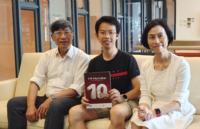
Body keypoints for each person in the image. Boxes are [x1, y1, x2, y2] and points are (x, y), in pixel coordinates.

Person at [7, 19, 90, 129]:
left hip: (71, 100)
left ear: (72, 35)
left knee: (55, 104)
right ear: (52, 37)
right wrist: (31, 106)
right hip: (48, 98)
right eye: (58, 33)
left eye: (66, 32)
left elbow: (75, 89)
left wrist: (52, 99)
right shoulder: (47, 56)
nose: (63, 36)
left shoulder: (82, 58)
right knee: (14, 103)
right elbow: (36, 81)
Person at [68, 16, 141, 129]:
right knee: (74, 112)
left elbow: (139, 88)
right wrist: (85, 98)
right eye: (103, 32)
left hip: (126, 102)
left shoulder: (128, 59)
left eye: (111, 32)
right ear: (97, 36)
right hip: (101, 104)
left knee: (117, 112)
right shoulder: (93, 63)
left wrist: (123, 97)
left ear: (117, 35)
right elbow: (89, 90)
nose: (107, 36)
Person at [127, 19, 196, 129]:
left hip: (175, 110)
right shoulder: (145, 65)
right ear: (147, 41)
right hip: (153, 107)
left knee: (147, 126)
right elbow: (145, 96)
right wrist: (144, 109)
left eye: (160, 36)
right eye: (152, 37)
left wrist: (154, 113)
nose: (156, 41)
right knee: (135, 124)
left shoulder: (181, 64)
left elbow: (178, 102)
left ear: (167, 38)